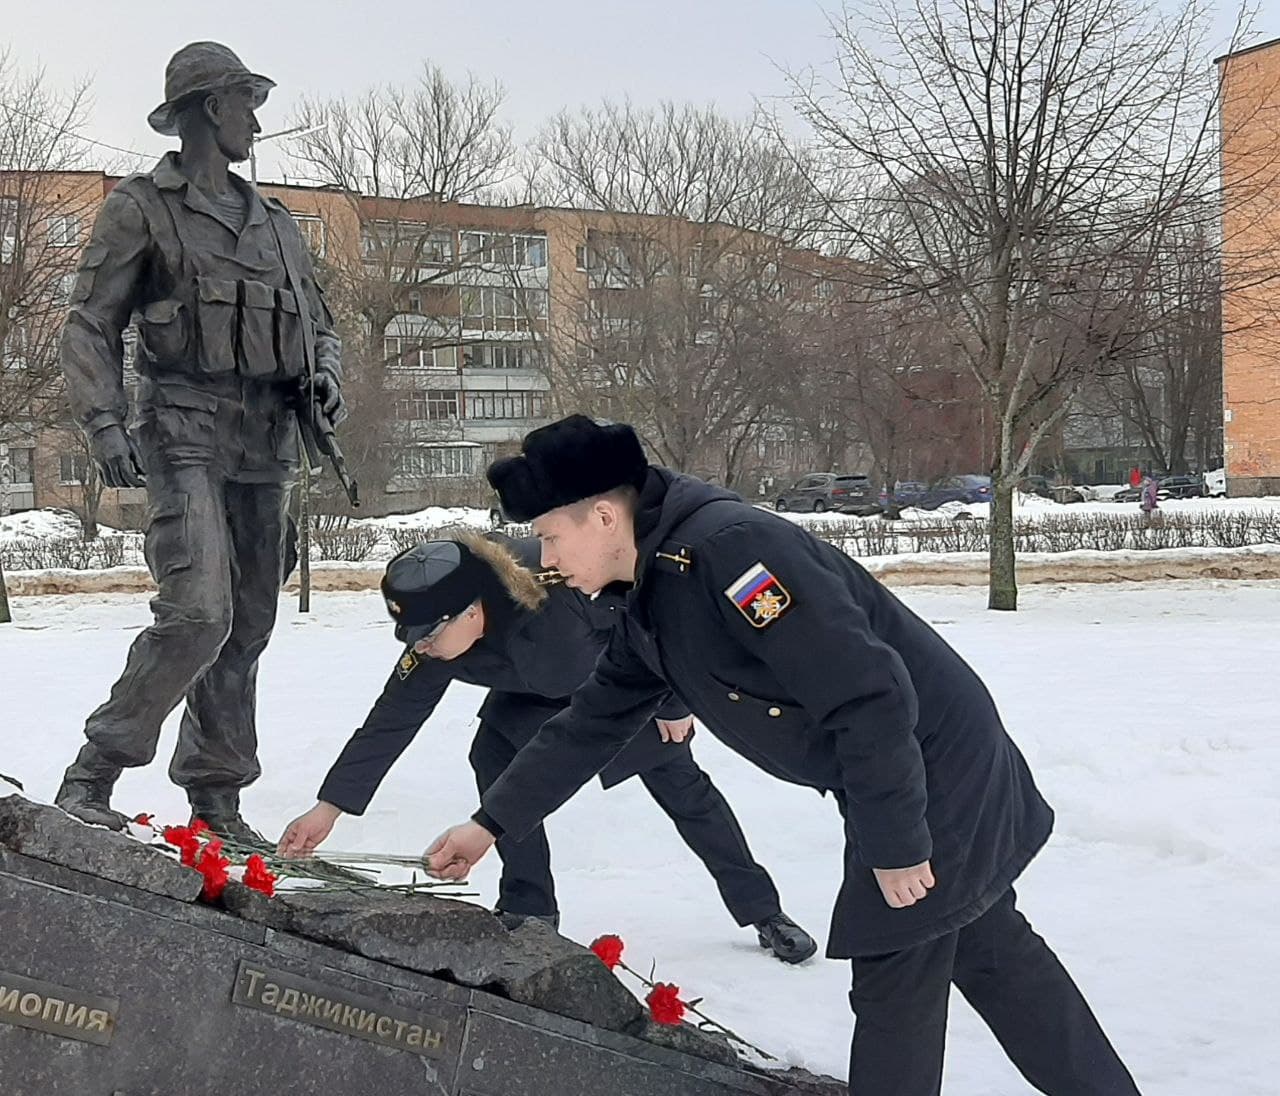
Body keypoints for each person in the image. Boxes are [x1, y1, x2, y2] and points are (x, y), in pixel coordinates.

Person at [425, 415, 1140, 1095]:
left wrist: (895, 842)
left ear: (605, 517)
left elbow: (870, 696)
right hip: (897, 768)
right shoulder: (650, 586)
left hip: (925, 767)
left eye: (550, 538)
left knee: (896, 975)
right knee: (990, 952)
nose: (546, 562)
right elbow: (590, 721)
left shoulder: (732, 553)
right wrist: (489, 824)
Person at [53, 42, 345, 842]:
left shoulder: (278, 224)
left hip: (267, 439)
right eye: (246, 103)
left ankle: (216, 798)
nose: (255, 119)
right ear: (210, 109)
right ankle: (94, 772)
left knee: (248, 624)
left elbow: (320, 328)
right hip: (183, 432)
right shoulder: (142, 206)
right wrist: (107, 423)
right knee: (196, 614)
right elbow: (89, 323)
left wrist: (325, 376)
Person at [279, 532, 816, 961]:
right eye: (412, 638)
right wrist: (329, 808)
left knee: (684, 790)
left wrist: (674, 702)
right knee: (492, 759)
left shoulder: (560, 585)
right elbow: (391, 719)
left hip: (618, 691)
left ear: (470, 611)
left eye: (427, 636)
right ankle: (528, 909)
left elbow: (663, 616)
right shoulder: (437, 636)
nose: (420, 648)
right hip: (528, 694)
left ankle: (764, 911)